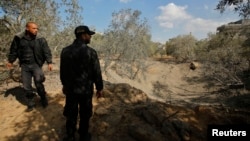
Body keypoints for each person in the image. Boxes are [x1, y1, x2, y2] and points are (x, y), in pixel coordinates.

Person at [60, 25, 103, 141]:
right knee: (85, 114)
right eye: (89, 35)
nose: (90, 37)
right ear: (83, 35)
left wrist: (64, 85)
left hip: (71, 89)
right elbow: (96, 72)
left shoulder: (65, 51)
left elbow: (63, 71)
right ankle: (83, 135)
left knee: (71, 113)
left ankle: (70, 136)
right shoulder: (91, 52)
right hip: (85, 90)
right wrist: (99, 88)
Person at [6, 21, 53, 111]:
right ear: (27, 28)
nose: (36, 30)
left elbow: (46, 51)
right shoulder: (18, 38)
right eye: (34, 28)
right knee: (26, 86)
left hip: (36, 64)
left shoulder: (40, 39)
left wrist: (49, 62)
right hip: (25, 65)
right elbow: (14, 50)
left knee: (38, 82)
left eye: (37, 28)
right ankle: (31, 103)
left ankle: (43, 98)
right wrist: (11, 61)